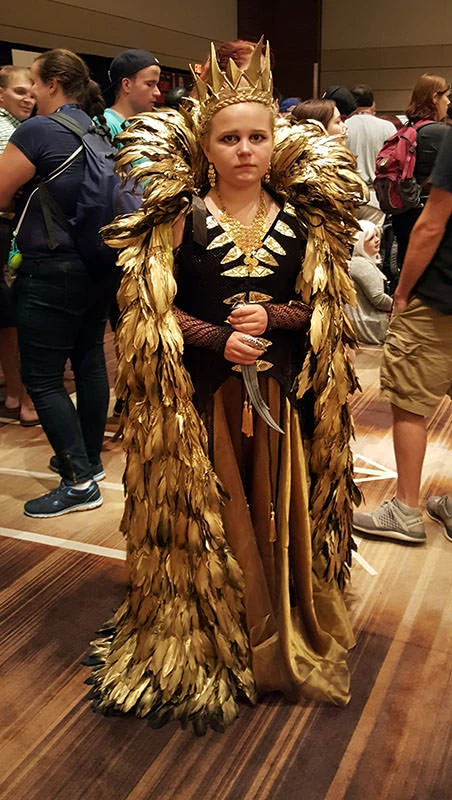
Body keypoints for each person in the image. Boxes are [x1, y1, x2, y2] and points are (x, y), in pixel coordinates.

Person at [84, 40, 365, 733]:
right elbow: (152, 308)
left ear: (276, 142)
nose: (244, 150)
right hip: (202, 399)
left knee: (276, 505)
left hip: (279, 399)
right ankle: (218, 625)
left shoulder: (301, 220)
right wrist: (216, 338)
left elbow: (322, 306)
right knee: (211, 509)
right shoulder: (179, 219)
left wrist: (274, 317)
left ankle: (277, 613)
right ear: (205, 146)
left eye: (256, 137)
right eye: (229, 138)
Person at [0, 48, 111, 517]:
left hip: (50, 267)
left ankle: (79, 481)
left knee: (42, 377)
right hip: (97, 264)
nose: (30, 92)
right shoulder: (97, 129)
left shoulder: (37, 130)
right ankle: (89, 460)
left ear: (51, 84)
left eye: (34, 82)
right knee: (89, 362)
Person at [353, 123, 452, 544]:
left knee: (409, 402)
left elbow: (432, 223)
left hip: (440, 293)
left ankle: (406, 510)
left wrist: (403, 292)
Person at [0, 65, 38, 425]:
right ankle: (25, 397)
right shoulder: (6, 130)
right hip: (5, 232)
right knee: (19, 316)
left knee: (8, 320)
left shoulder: (19, 128)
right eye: (19, 92)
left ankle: (15, 392)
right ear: (1, 95)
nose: (28, 98)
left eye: (31, 91)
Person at [391, 74, 450, 270]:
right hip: (430, 217)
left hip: (405, 215)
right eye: (446, 96)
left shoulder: (408, 129)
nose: (448, 102)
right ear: (435, 97)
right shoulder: (439, 133)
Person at [346, 84, 397, 226]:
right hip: (375, 197)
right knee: (372, 238)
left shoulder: (343, 126)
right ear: (373, 104)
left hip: (348, 195)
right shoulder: (387, 127)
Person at [347, 220, 392, 345]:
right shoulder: (361, 264)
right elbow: (378, 299)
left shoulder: (359, 263)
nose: (377, 240)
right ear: (360, 243)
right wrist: (398, 305)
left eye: (377, 235)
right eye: (371, 238)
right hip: (371, 325)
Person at [102, 48, 161, 141]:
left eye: (156, 85)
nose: (157, 92)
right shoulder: (106, 125)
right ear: (127, 85)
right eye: (149, 84)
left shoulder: (146, 128)